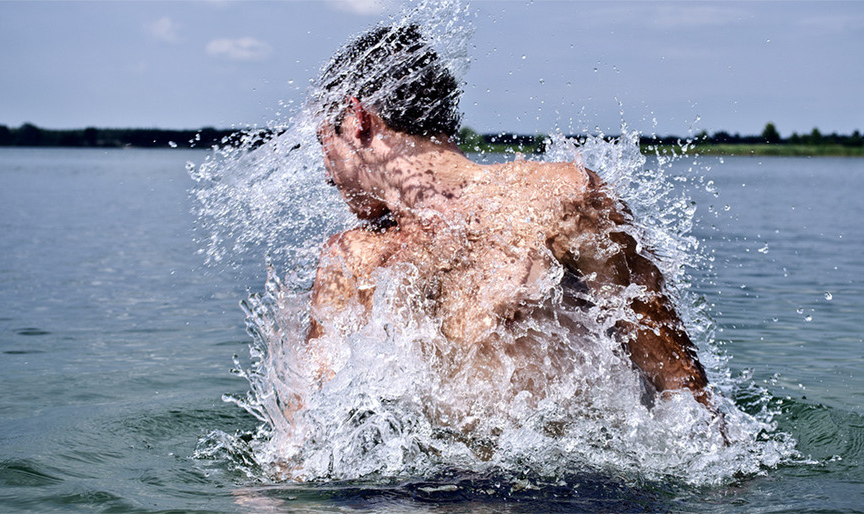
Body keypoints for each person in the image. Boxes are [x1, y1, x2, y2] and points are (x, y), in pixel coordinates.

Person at [305, 24, 711, 417]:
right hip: (443, 484)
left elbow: (678, 378)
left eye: (323, 142)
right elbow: (309, 414)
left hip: (567, 485)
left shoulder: (560, 197)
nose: (326, 174)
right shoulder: (349, 257)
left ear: (358, 119)